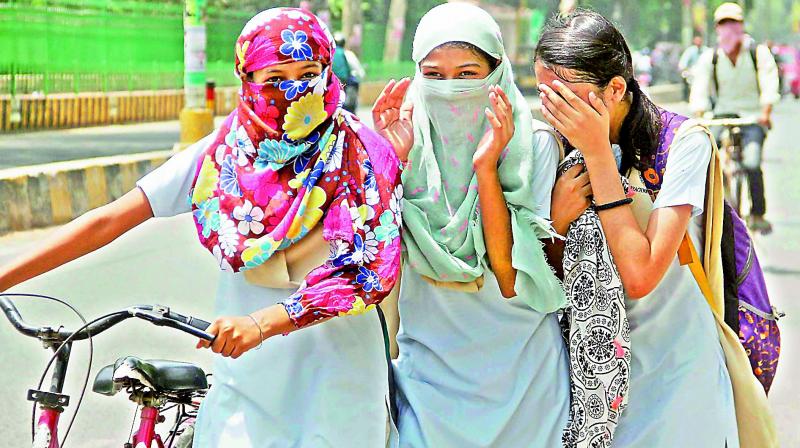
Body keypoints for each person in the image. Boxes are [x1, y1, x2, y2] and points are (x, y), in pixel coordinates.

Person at [0, 8, 402, 447]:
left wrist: (261, 324)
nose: (295, 92)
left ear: (329, 70)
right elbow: (108, 221)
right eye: (274, 79)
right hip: (247, 380)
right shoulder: (220, 158)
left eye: (309, 72)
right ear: (246, 80)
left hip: (337, 380)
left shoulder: (362, 153)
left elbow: (366, 270)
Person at [537, 11, 739, 447]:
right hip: (592, 381)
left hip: (678, 378)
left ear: (615, 89)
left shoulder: (683, 144)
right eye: (545, 96)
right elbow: (546, 277)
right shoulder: (549, 149)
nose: (555, 111)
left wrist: (599, 158)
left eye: (568, 98)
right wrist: (555, 223)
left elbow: (641, 273)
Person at [371, 3, 569, 447]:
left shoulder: (532, 146)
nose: (450, 89)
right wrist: (390, 166)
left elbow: (509, 274)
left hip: (522, 373)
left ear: (496, 73)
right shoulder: (404, 145)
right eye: (434, 75)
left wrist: (485, 169)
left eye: (467, 74)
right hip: (430, 373)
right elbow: (374, 261)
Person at [689, 2, 780, 234]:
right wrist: (699, 115)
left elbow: (770, 83)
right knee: (704, 154)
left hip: (752, 116)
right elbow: (699, 86)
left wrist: (765, 113)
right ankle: (702, 209)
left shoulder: (757, 53)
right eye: (723, 24)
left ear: (741, 26)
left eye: (733, 23)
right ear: (717, 29)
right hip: (722, 113)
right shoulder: (711, 57)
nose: (728, 28)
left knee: (751, 162)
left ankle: (758, 213)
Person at [332, 32, 366, 113]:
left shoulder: (329, 53)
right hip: (344, 82)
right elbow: (359, 70)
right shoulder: (347, 53)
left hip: (331, 82)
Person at [678, 35, 707, 101]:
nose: (698, 42)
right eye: (697, 41)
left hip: (703, 72)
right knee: (685, 75)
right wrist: (686, 70)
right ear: (694, 41)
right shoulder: (690, 51)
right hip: (691, 72)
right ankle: (686, 96)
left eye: (700, 41)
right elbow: (683, 63)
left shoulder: (706, 50)